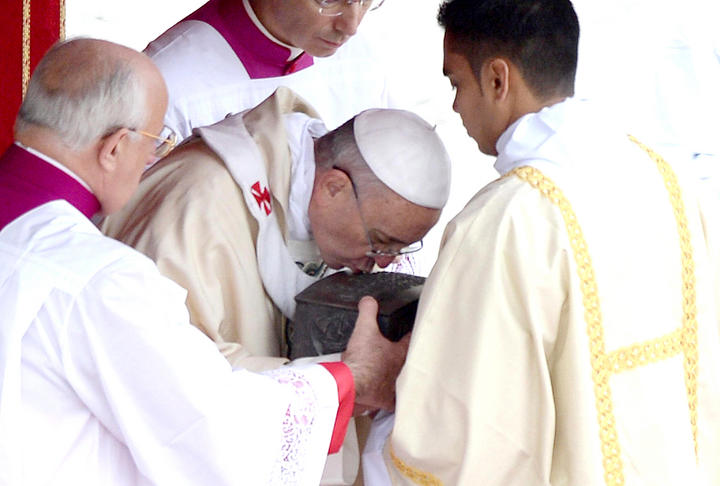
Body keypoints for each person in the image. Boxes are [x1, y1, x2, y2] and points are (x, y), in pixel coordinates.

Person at [0, 37, 410, 486]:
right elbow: (213, 430)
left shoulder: (32, 240)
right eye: (159, 141)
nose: (156, 159)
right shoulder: (99, 280)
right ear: (115, 147)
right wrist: (349, 380)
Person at [358, 0, 720, 484]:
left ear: (498, 80)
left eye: (456, 82)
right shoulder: (666, 179)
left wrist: (389, 388)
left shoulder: (506, 220)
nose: (455, 106)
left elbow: (466, 443)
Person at [101, 86, 451, 484]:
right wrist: (352, 377)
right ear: (333, 187)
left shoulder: (317, 195)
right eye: (380, 241)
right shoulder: (196, 205)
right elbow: (166, 385)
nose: (383, 262)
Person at [147, 0, 398, 142]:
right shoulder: (167, 84)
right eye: (328, 0)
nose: (351, 26)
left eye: (366, 0)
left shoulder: (361, 57)